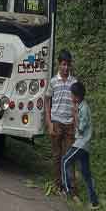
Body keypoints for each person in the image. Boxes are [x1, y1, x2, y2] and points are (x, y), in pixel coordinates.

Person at [44, 49, 78, 193]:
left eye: (68, 65)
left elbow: (76, 106)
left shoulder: (74, 82)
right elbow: (47, 101)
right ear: (59, 65)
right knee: (57, 156)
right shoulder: (53, 82)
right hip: (56, 123)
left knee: (69, 156)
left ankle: (70, 188)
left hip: (69, 124)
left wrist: (77, 125)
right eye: (63, 64)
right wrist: (49, 123)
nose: (65, 68)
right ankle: (58, 185)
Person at [62, 81, 99, 209]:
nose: (71, 97)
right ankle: (94, 203)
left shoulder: (83, 109)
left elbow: (81, 128)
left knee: (65, 161)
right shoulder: (81, 106)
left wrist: (75, 115)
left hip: (81, 144)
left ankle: (67, 191)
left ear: (76, 96)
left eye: (71, 95)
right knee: (86, 173)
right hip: (84, 144)